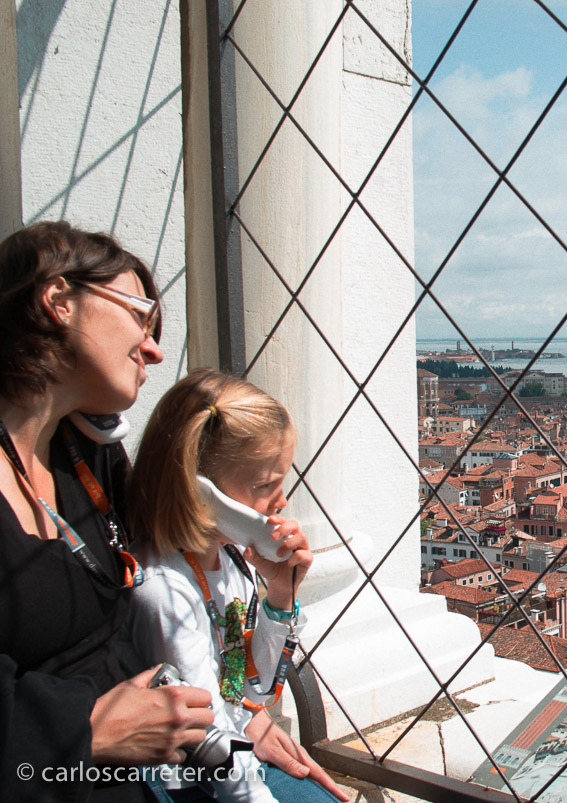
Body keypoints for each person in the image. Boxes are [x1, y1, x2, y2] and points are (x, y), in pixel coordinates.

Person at [0, 222, 344, 802]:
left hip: (184, 751)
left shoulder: (90, 459)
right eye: (141, 315)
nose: (155, 348)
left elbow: (237, 684)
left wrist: (252, 707)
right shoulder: (169, 586)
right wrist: (83, 730)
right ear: (59, 301)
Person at [125, 369, 343, 803]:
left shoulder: (228, 561)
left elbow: (250, 690)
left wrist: (280, 596)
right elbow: (207, 737)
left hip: (234, 751)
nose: (281, 501)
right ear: (200, 492)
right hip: (186, 780)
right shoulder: (166, 593)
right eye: (265, 485)